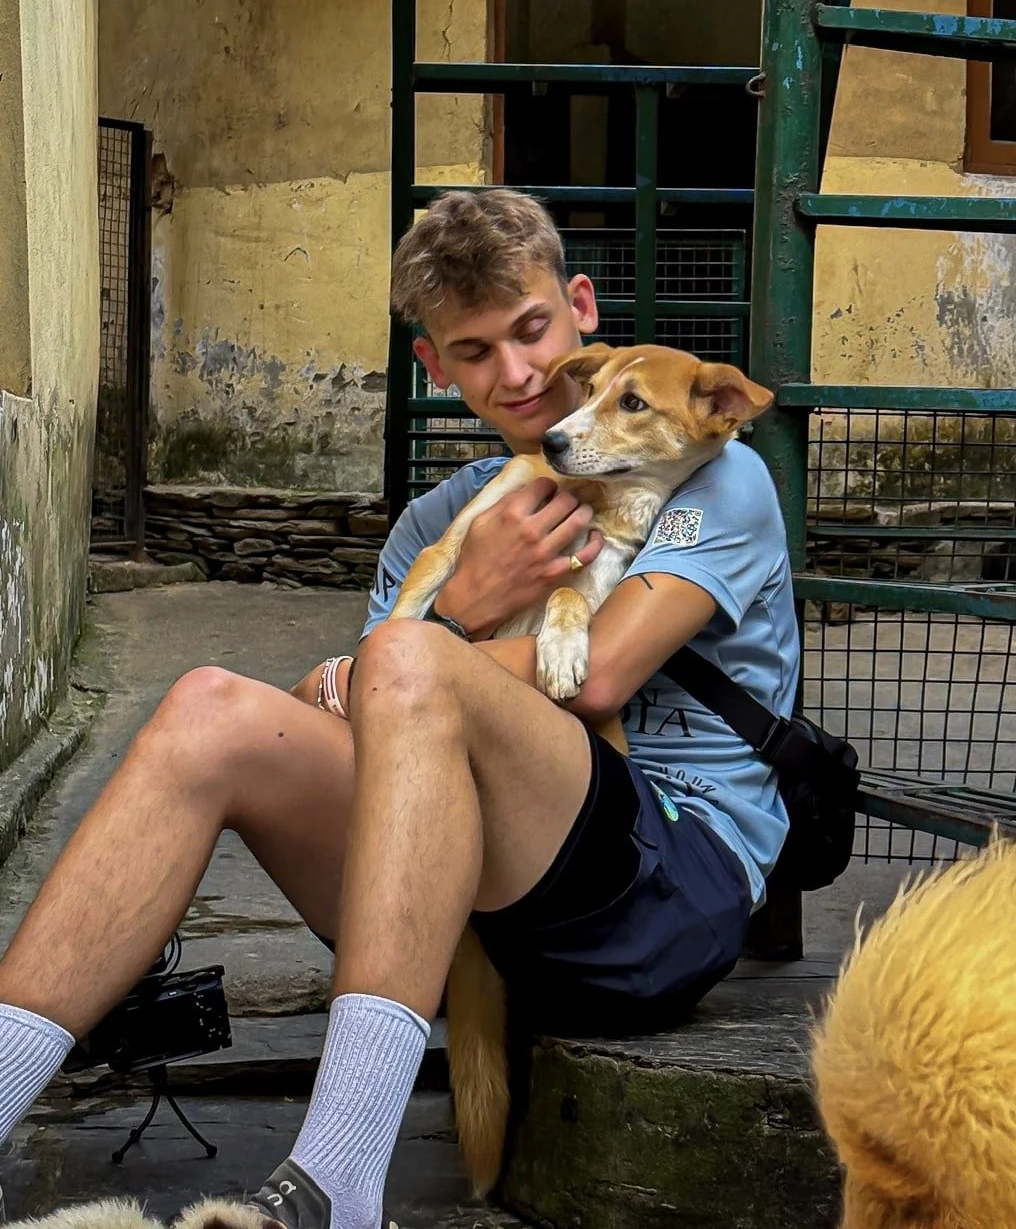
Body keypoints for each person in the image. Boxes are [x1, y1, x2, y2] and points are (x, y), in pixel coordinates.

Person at [0, 190, 798, 1229]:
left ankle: (335, 1182)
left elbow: (594, 677)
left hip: (663, 888)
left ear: (582, 314)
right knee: (205, 709)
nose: (515, 374)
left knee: (409, 661)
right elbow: (357, 732)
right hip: (462, 897)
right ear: (436, 371)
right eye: (473, 352)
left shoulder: (711, 470)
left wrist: (420, 648)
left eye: (531, 330)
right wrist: (455, 610)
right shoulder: (438, 518)